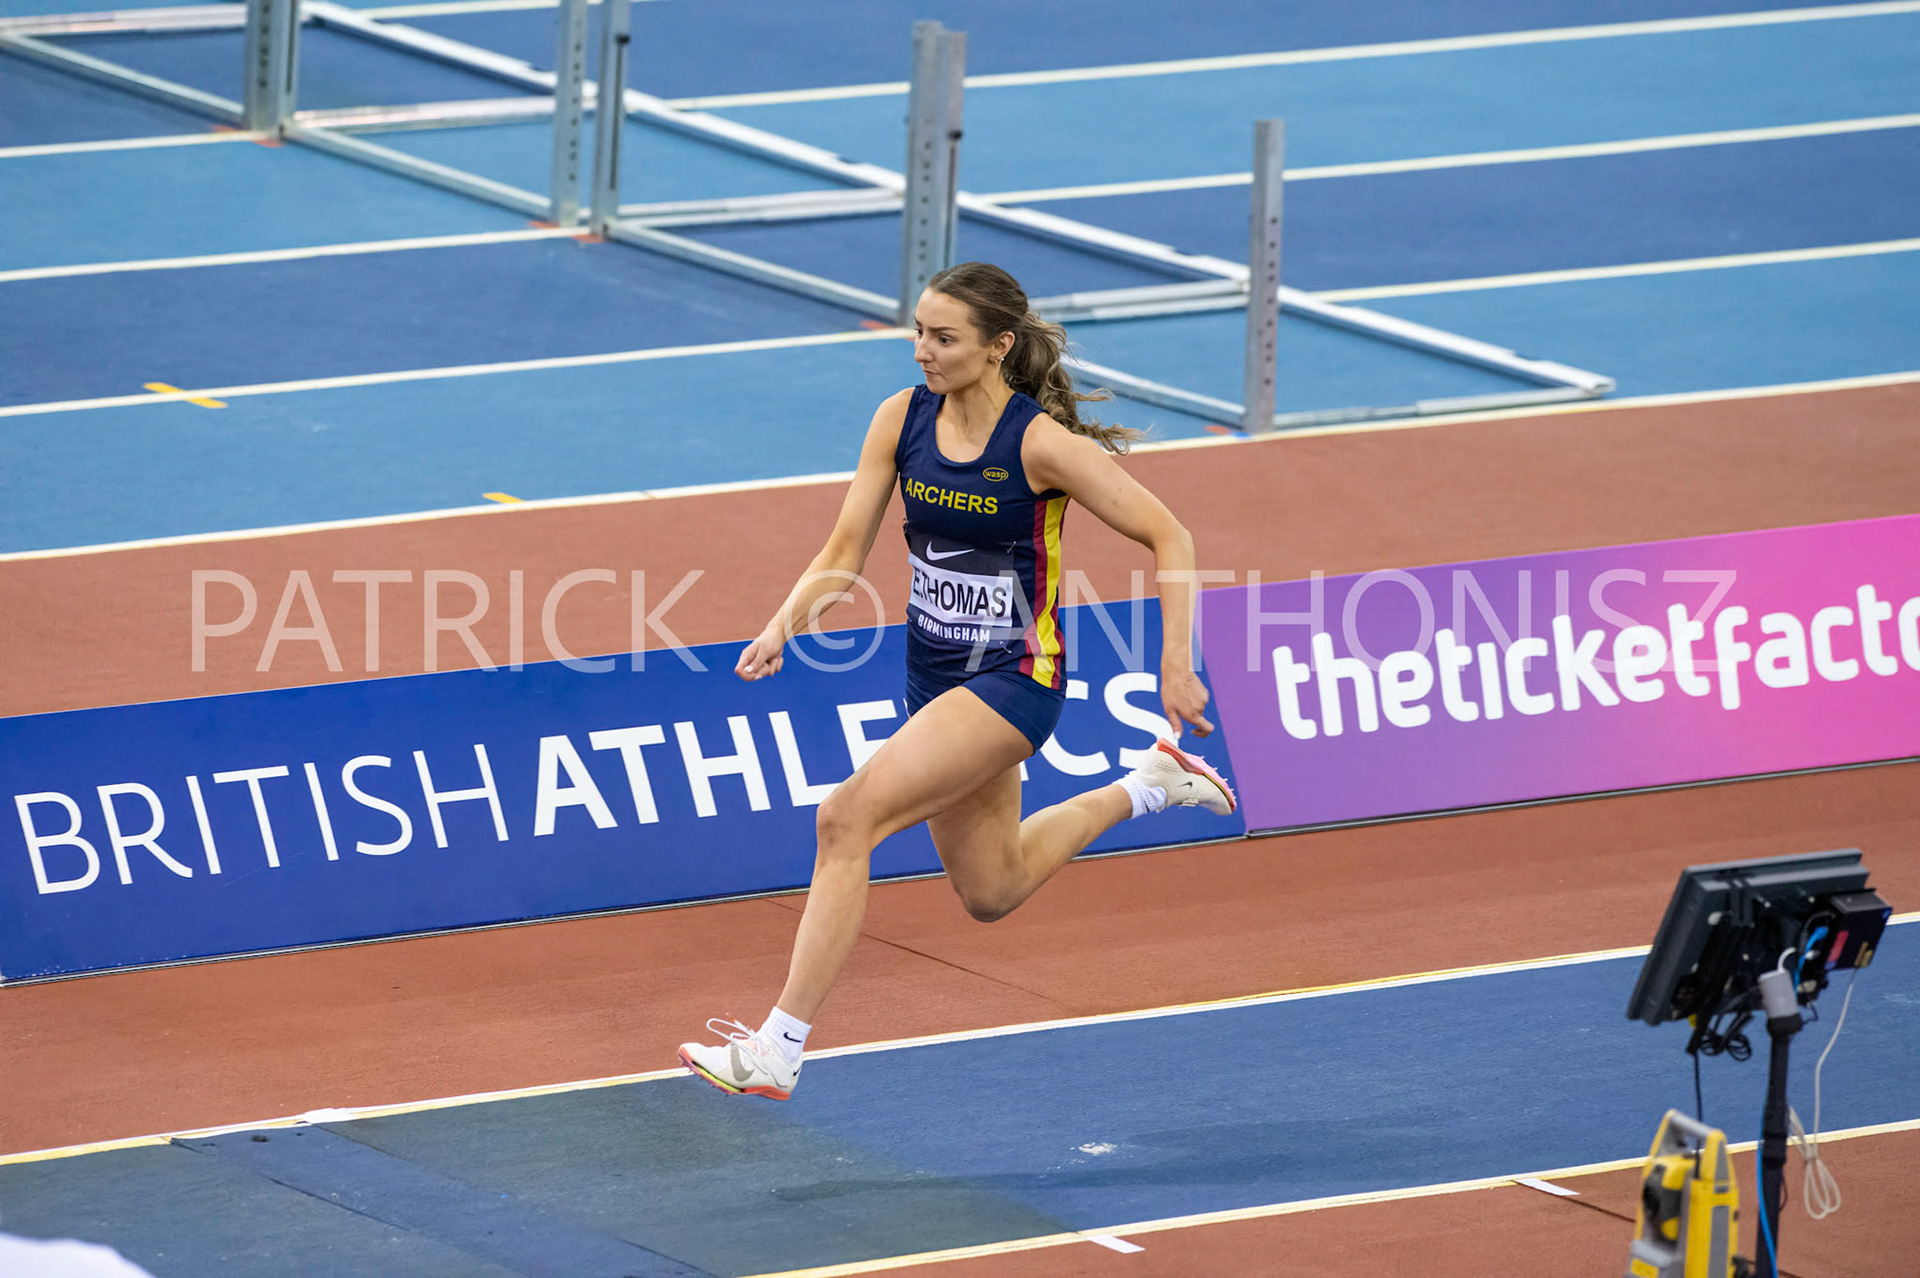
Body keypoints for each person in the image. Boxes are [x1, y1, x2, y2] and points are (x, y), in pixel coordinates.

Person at [678, 262, 1233, 1100]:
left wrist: (1176, 660)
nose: (922, 352)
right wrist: (782, 624)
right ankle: (1149, 785)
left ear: (998, 346)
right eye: (918, 332)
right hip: (932, 676)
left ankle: (778, 1047)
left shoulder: (1040, 444)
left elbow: (1173, 536)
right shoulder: (900, 420)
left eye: (943, 338)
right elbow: (842, 553)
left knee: (844, 818)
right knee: (991, 888)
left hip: (1016, 677)